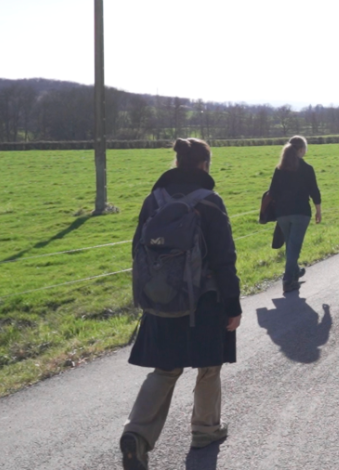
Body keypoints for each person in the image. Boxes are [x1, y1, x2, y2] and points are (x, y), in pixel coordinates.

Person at [120, 138, 242, 470]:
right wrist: (233, 304)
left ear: (176, 163)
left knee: (166, 369)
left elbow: (137, 249)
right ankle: (205, 431)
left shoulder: (153, 200)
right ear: (204, 164)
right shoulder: (210, 201)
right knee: (209, 367)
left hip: (161, 297)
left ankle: (137, 434)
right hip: (205, 300)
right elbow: (223, 258)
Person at [269, 136, 322, 293]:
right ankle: (288, 280)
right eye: (305, 148)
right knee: (294, 246)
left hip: (282, 213)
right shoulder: (307, 169)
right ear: (300, 150)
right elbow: (314, 192)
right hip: (300, 213)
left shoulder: (279, 170)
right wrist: (318, 210)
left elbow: (272, 192)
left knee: (291, 245)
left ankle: (295, 271)